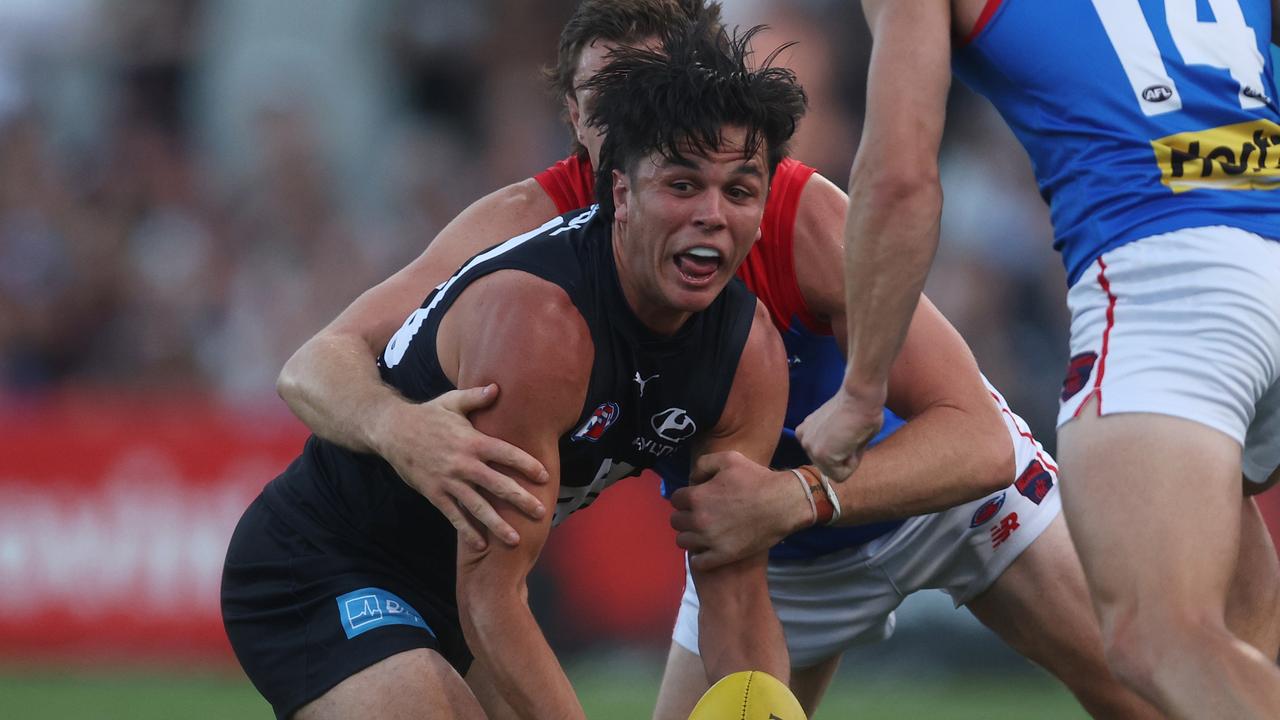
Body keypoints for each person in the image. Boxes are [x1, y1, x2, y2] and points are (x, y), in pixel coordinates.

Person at [278, 1, 1159, 718]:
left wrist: (797, 494)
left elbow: (980, 443)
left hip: (927, 502)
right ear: (573, 118)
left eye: (658, 88)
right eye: (607, 97)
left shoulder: (788, 211)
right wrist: (401, 428)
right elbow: (316, 364)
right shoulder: (520, 241)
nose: (633, 116)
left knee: (1146, 690)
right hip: (764, 557)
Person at [221, 26, 809, 720]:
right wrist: (395, 426)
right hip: (325, 563)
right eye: (682, 185)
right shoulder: (541, 323)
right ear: (620, 192)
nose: (711, 216)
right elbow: (491, 596)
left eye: (739, 191)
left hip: (461, 585)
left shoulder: (751, 358)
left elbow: (734, 588)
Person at [799, 1, 1280, 717]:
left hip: (1169, 276)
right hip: (1261, 242)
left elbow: (899, 176)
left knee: (1156, 639)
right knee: (1235, 647)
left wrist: (863, 390)